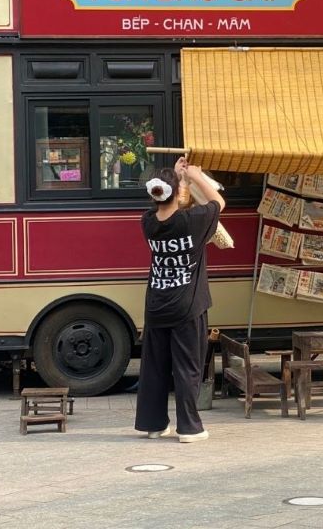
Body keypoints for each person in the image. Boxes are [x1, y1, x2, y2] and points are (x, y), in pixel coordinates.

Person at [135, 156, 224, 442]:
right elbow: (218, 203)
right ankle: (189, 428)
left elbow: (169, 204)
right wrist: (196, 176)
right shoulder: (192, 222)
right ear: (174, 191)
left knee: (155, 368)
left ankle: (154, 425)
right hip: (187, 307)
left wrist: (178, 178)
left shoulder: (148, 223)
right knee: (187, 368)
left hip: (156, 306)